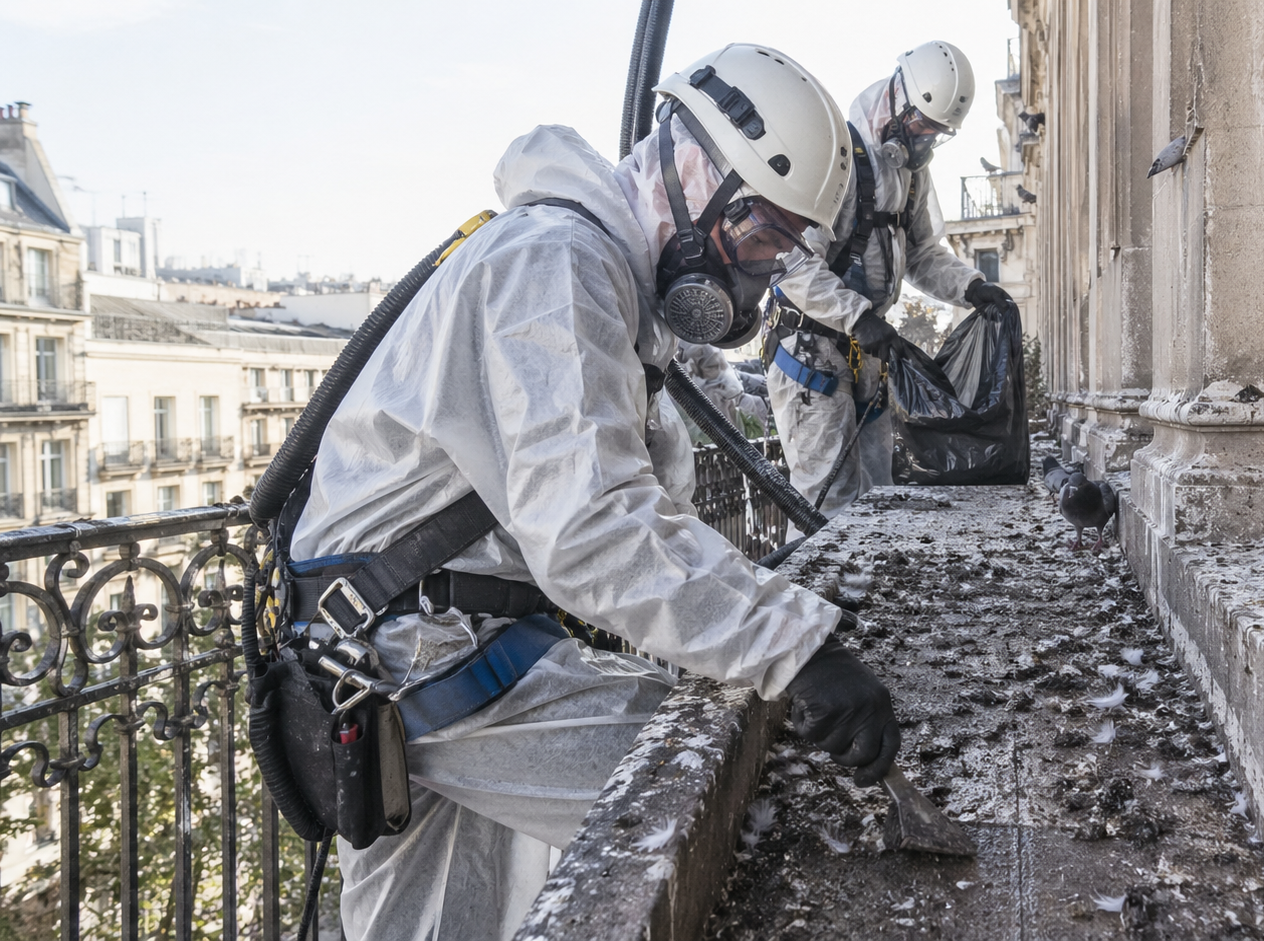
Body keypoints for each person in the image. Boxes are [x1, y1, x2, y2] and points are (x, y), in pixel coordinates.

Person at [286, 45, 900, 941]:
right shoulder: (555, 264)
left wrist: (777, 608)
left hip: (417, 643)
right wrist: (794, 645)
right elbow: (594, 524)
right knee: (719, 780)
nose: (763, 277)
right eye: (765, 236)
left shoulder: (603, 278)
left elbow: (644, 506)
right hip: (420, 651)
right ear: (697, 172)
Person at [765, 40, 1016, 523]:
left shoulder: (911, 174)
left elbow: (921, 253)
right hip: (809, 349)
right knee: (825, 500)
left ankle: (869, 594)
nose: (926, 140)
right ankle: (820, 596)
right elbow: (789, 261)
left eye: (938, 133)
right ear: (900, 98)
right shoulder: (834, 152)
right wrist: (857, 316)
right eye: (923, 125)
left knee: (878, 493)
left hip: (867, 349)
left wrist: (971, 287)